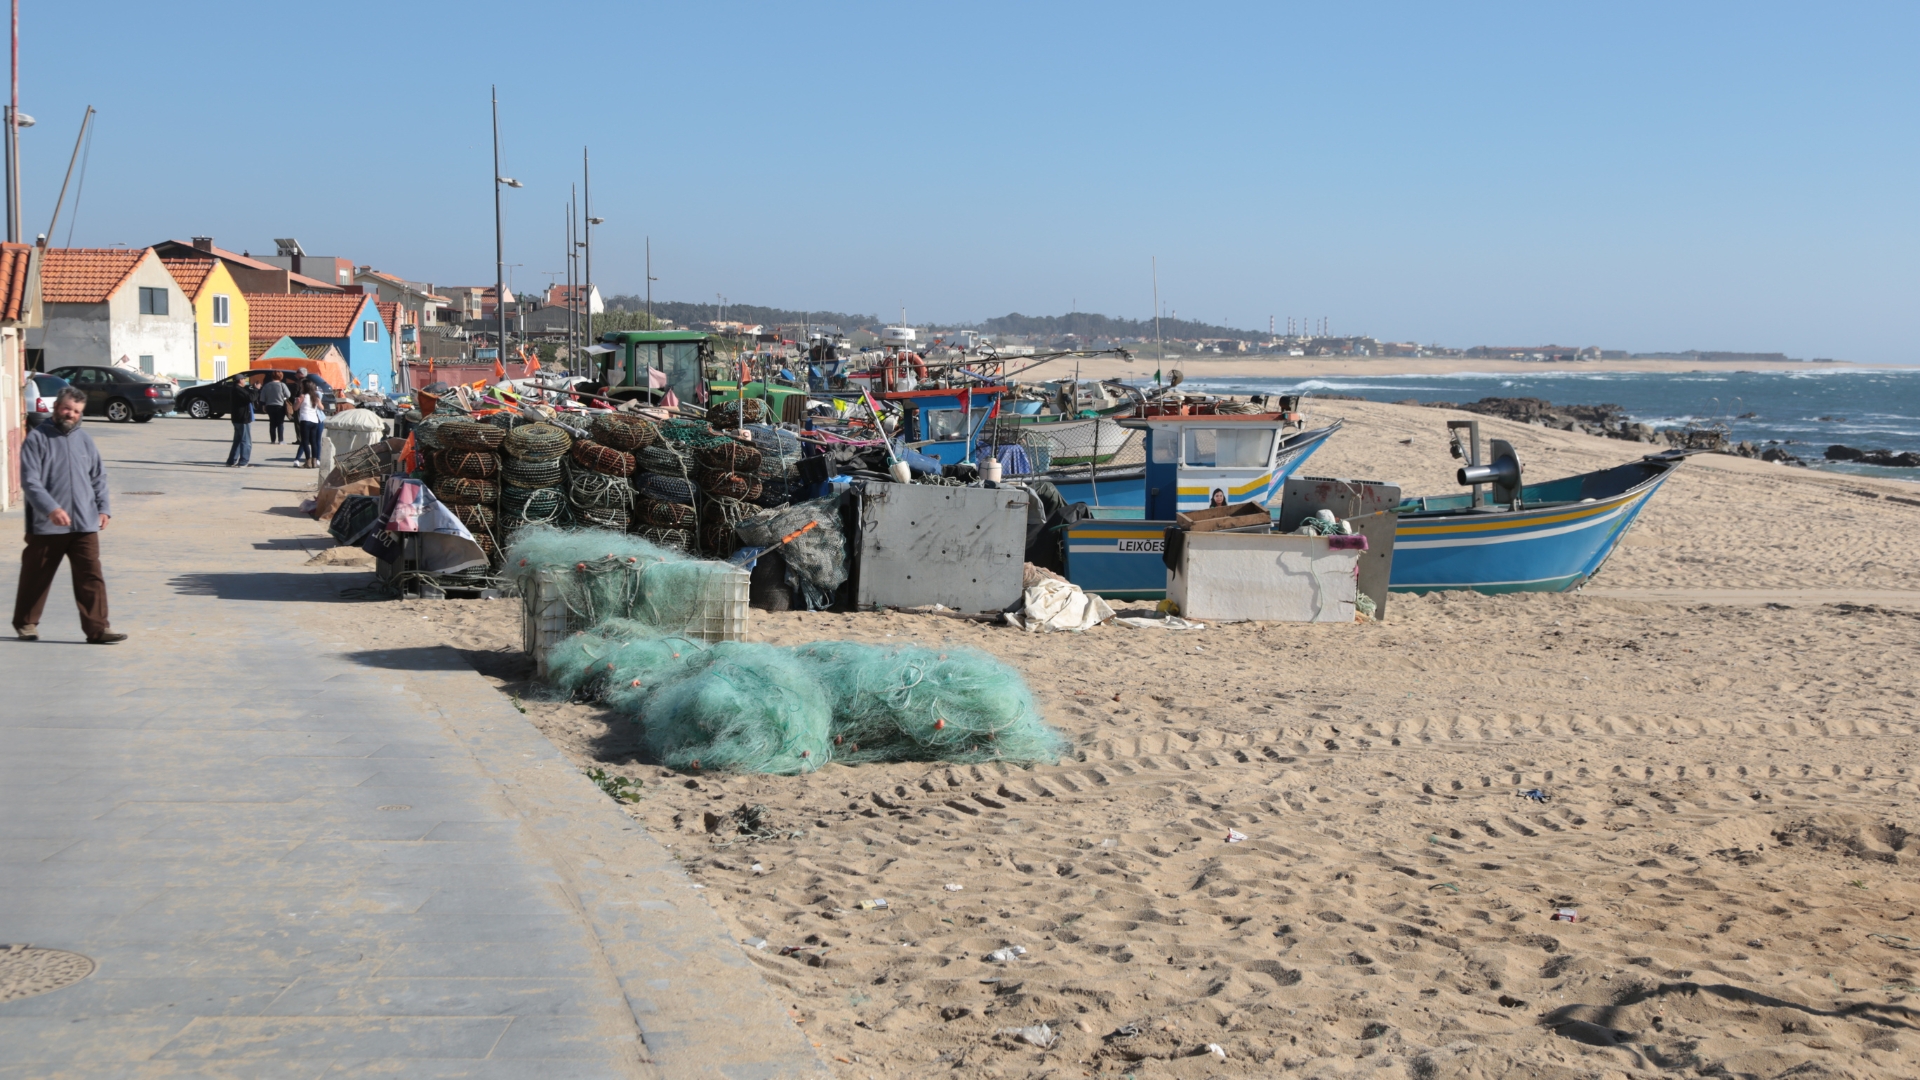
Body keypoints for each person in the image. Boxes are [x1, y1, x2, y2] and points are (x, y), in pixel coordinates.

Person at [13, 387, 124, 643]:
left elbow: (98, 476)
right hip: (46, 525)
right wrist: (51, 508)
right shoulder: (37, 439)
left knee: (91, 576)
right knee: (36, 575)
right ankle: (26, 623)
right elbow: (30, 481)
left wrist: (103, 508)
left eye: (76, 411)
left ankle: (98, 629)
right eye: (67, 408)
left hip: (84, 522)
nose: (70, 414)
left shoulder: (84, 440)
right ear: (56, 407)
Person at [226, 374, 257, 467]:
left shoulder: (237, 389)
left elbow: (247, 394)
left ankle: (231, 461)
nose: (245, 381)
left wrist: (251, 388)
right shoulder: (238, 390)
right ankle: (244, 461)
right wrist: (256, 390)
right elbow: (250, 398)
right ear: (240, 380)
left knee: (238, 440)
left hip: (238, 418)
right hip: (242, 419)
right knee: (246, 441)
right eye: (244, 379)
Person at [293, 379, 323, 468]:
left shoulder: (302, 396)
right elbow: (322, 407)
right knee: (313, 442)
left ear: (305, 387)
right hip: (314, 421)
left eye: (302, 386)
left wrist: (297, 402)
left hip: (305, 420)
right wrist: (318, 402)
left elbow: (295, 408)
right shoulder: (315, 397)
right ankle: (314, 461)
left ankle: (308, 461)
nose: (301, 387)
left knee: (305, 442)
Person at [258, 371, 291, 445]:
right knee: (280, 423)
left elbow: (262, 396)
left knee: (272, 423)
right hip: (280, 406)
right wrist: (283, 398)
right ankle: (281, 440)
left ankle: (273, 440)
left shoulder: (267, 385)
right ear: (281, 377)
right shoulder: (282, 385)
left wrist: (263, 405)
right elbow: (288, 395)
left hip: (269, 406)